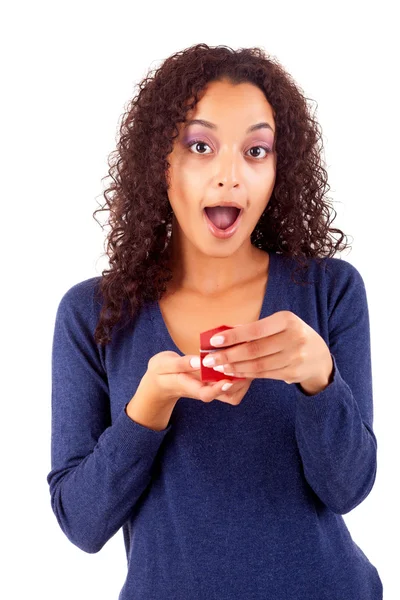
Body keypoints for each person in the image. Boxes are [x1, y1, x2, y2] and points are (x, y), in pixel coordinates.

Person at [47, 43, 383, 599]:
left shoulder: (331, 290)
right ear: (162, 160)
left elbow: (347, 489)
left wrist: (319, 379)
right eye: (201, 146)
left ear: (280, 168)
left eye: (256, 151)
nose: (230, 176)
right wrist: (146, 410)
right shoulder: (91, 314)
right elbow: (82, 525)